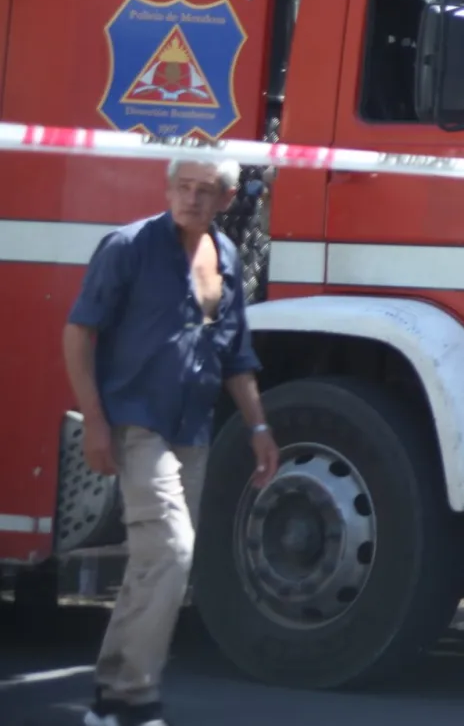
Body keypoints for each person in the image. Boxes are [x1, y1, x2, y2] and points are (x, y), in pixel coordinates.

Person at [63, 159, 279, 726]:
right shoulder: (128, 246)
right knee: (172, 551)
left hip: (193, 428)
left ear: (227, 198)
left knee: (154, 566)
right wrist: (95, 421)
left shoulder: (226, 256)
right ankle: (136, 700)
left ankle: (110, 701)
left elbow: (236, 356)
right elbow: (79, 332)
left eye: (205, 190)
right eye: (183, 187)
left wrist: (259, 428)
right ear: (167, 189)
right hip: (137, 423)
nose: (192, 198)